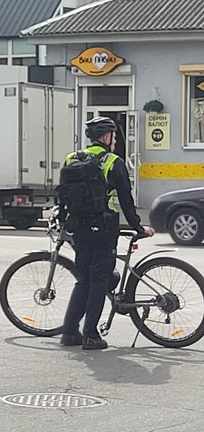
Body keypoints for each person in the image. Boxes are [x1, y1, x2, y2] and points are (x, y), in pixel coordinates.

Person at [60, 117, 155, 350]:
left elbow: (63, 195)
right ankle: (91, 336)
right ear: (106, 137)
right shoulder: (113, 162)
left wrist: (63, 222)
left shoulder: (72, 158)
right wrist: (139, 228)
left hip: (79, 228)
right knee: (99, 281)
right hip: (103, 230)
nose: (115, 141)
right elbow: (126, 201)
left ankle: (70, 332)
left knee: (85, 279)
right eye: (113, 136)